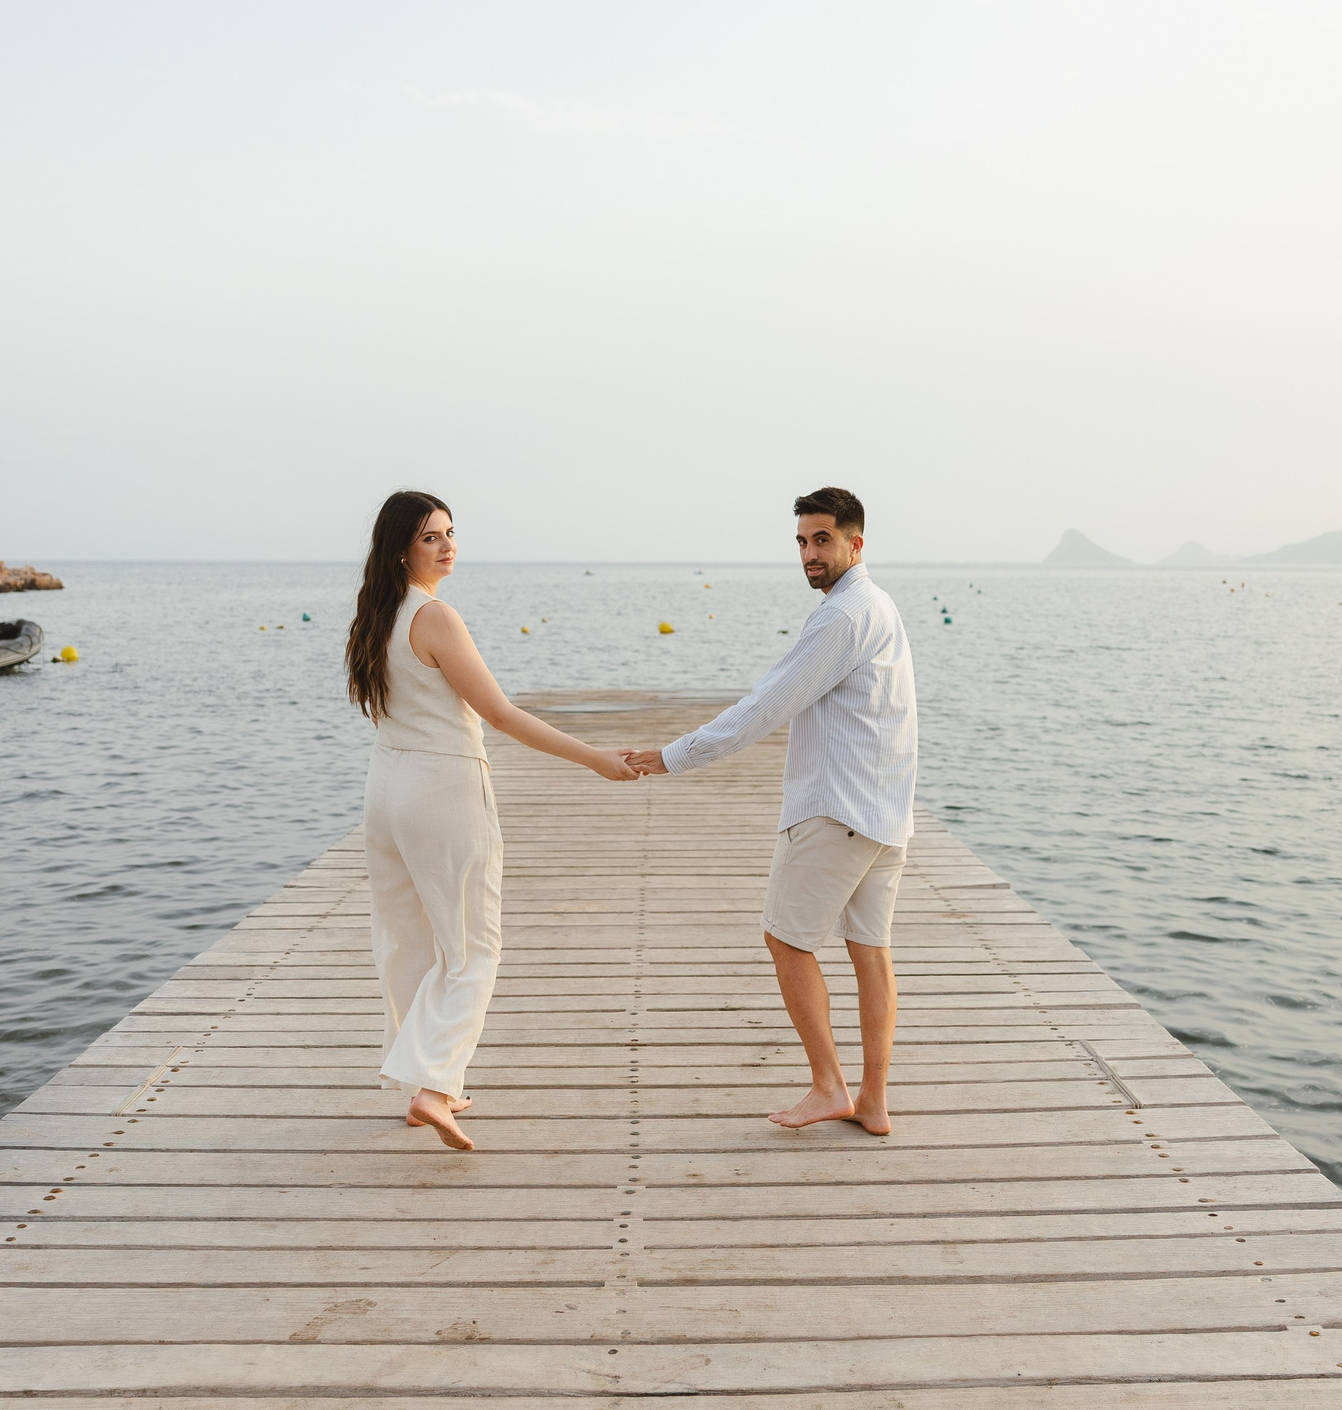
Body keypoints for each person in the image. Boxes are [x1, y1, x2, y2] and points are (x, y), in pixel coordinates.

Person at [347, 490, 639, 1150]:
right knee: (474, 946)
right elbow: (501, 714)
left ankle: (425, 1080)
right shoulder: (436, 617)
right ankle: (431, 1083)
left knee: (409, 938)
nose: (448, 546)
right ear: (400, 548)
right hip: (441, 786)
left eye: (450, 533)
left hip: (386, 787)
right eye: (430, 537)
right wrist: (595, 757)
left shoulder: (376, 614)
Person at [625, 487, 916, 1134]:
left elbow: (765, 706)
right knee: (870, 949)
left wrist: (671, 755)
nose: (810, 554)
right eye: (802, 542)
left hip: (838, 808)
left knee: (786, 938)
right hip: (884, 809)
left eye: (822, 540)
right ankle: (871, 1099)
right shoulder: (879, 606)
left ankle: (828, 1084)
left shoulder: (841, 617)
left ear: (855, 543)